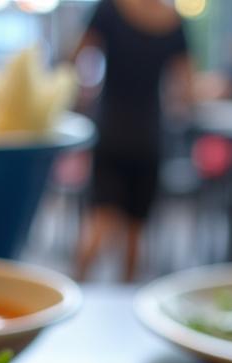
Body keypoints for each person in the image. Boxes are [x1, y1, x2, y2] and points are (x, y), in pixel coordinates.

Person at [72, 0, 194, 282]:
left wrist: (84, 93)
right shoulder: (174, 21)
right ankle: (124, 305)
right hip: (149, 135)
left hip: (110, 129)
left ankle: (75, 290)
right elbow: (187, 89)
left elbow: (76, 56)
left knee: (99, 221)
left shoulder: (109, 8)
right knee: (135, 232)